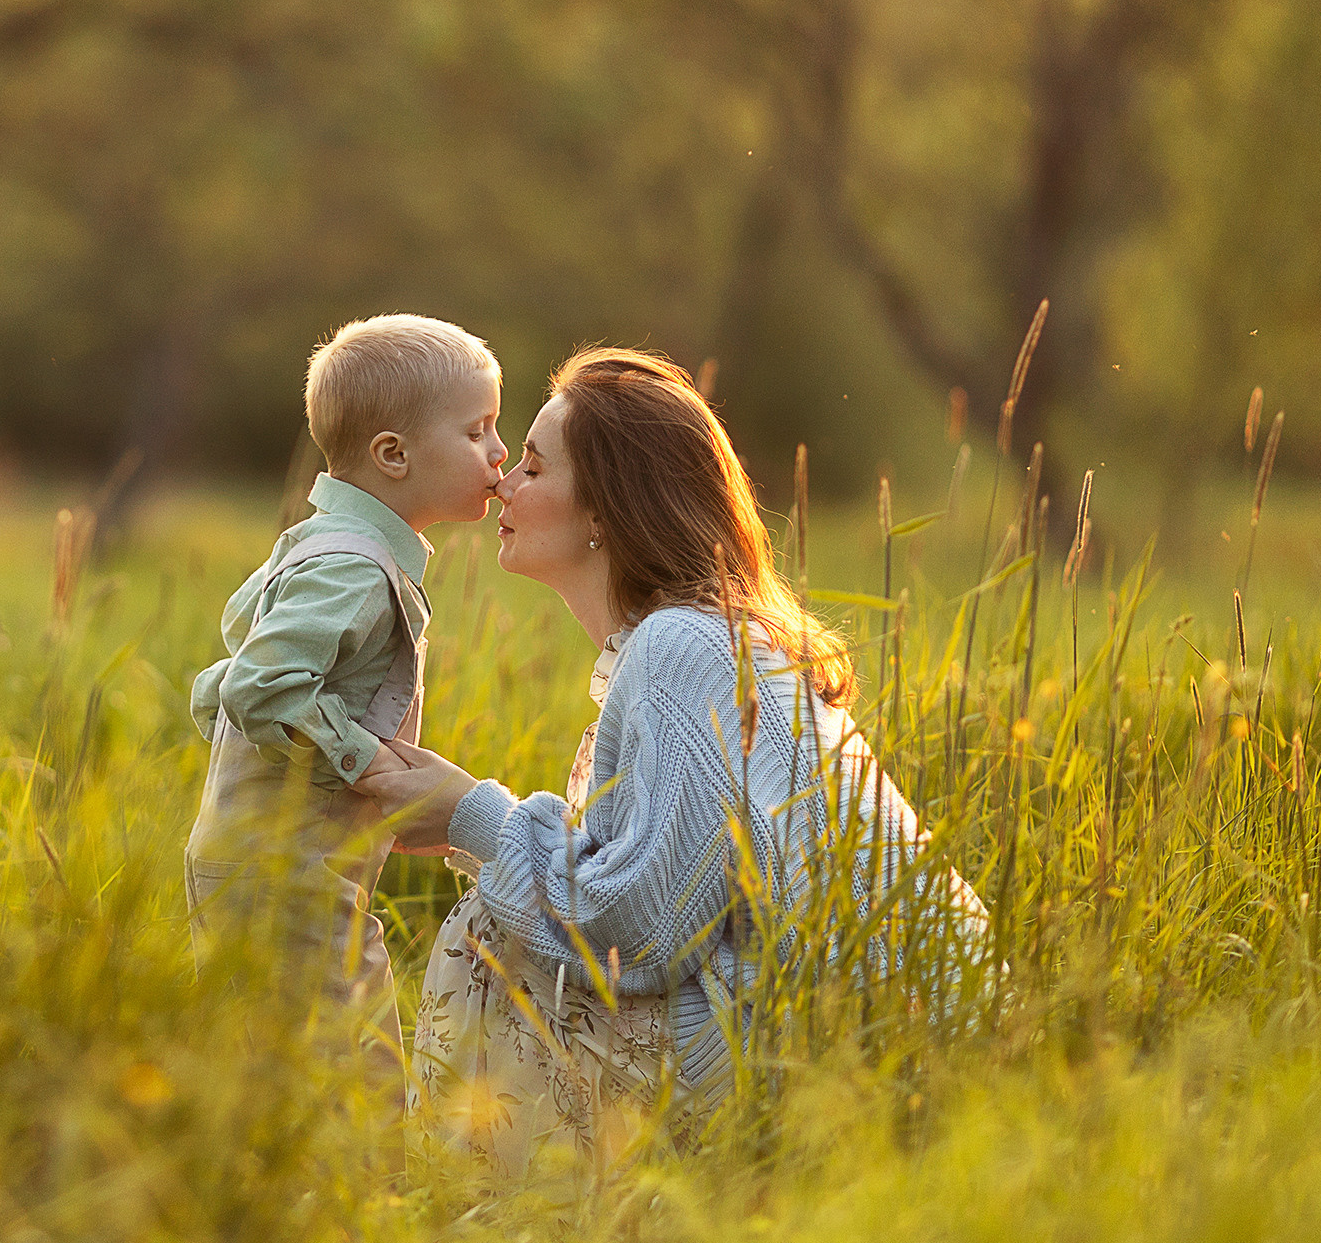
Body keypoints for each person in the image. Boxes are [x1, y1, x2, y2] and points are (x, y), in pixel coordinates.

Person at [355, 348, 990, 1172]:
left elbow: (641, 932)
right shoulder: (689, 642)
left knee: (490, 936)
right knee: (514, 926)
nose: (504, 479)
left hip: (857, 1063)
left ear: (606, 513)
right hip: (847, 1041)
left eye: (536, 467)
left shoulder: (682, 646)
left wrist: (472, 816)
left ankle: (458, 1221)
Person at [184, 313, 508, 1101]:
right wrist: (365, 766)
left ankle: (253, 1199)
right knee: (344, 1065)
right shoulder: (354, 568)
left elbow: (224, 673)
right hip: (285, 869)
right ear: (392, 455)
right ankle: (365, 1208)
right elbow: (255, 687)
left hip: (267, 856)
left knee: (261, 1054)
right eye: (478, 431)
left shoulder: (315, 542)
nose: (501, 454)